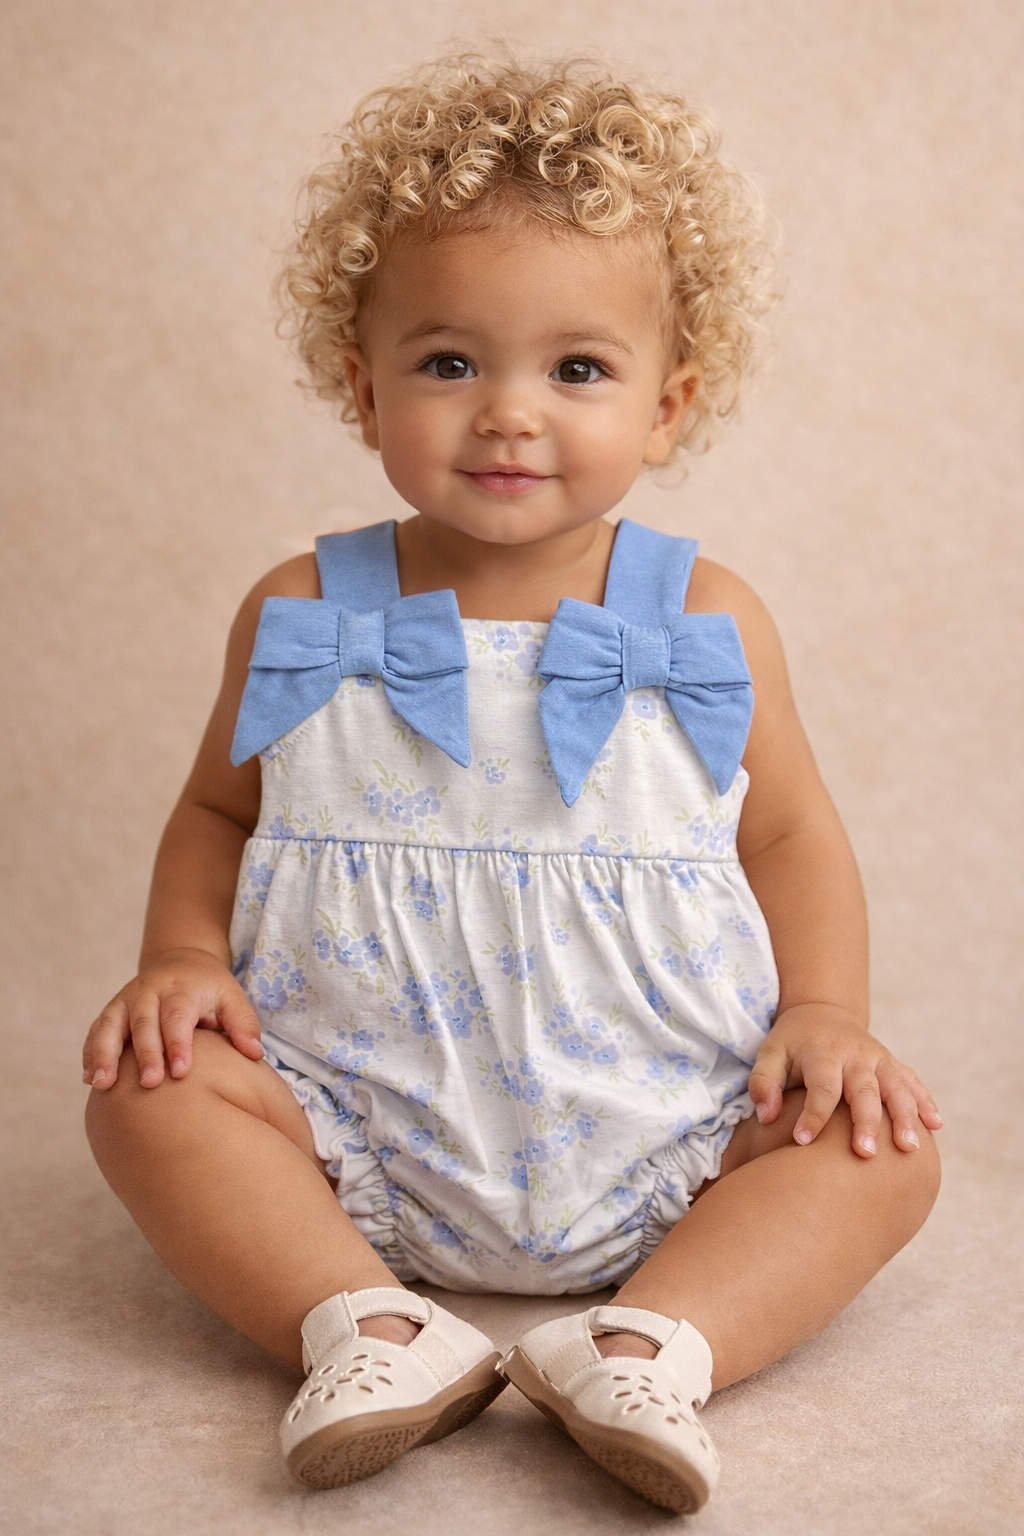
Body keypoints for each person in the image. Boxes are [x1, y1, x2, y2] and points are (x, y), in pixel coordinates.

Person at [82, 54, 942, 1514]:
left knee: (886, 1150)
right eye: (449, 364)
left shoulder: (708, 618)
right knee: (140, 1096)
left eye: (577, 370)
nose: (508, 414)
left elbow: (793, 832)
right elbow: (219, 813)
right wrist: (180, 961)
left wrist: (827, 1016)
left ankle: (648, 1343)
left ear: (667, 406)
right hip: (349, 1127)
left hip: (665, 1128)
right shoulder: (303, 608)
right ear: (363, 387)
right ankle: (367, 1324)